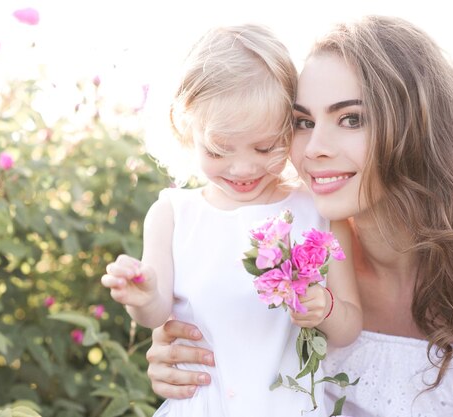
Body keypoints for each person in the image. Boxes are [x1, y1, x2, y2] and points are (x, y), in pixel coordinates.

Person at [143, 15, 453, 416]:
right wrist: (183, 358)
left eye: (351, 119)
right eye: (303, 122)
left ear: (418, 126)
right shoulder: (304, 270)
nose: (314, 149)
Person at [100, 24, 362, 417]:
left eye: (265, 146)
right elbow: (157, 314)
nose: (242, 168)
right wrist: (142, 295)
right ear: (186, 130)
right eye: (220, 150)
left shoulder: (316, 212)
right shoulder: (174, 214)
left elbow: (349, 326)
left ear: (289, 128)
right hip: (203, 405)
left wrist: (324, 308)